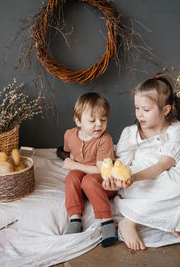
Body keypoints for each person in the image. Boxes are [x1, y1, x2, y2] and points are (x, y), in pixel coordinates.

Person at [103, 73, 180, 251]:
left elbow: (164, 165)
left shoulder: (177, 129)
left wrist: (135, 177)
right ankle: (129, 222)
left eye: (146, 110)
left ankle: (168, 219)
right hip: (141, 179)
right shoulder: (130, 133)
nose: (140, 114)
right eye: (137, 108)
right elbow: (122, 166)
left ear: (165, 110)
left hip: (163, 172)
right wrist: (119, 179)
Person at [62, 92, 117, 248]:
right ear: (78, 121)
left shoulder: (104, 139)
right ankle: (75, 218)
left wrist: (74, 165)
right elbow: (70, 152)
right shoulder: (69, 134)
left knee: (89, 180)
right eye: (92, 121)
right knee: (72, 177)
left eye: (103, 119)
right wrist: (73, 165)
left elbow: (102, 171)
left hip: (103, 183)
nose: (99, 124)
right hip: (82, 180)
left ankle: (107, 221)